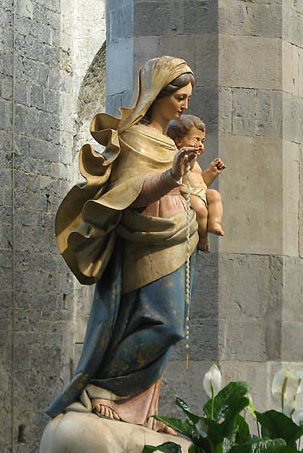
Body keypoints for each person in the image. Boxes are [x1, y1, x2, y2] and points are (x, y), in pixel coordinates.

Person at [47, 56, 201, 433]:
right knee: (162, 323)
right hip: (146, 240)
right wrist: (172, 175)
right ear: (157, 94)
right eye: (179, 97)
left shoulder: (169, 142)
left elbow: (186, 187)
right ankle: (104, 386)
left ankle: (141, 412)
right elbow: (130, 193)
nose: (184, 105)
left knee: (166, 326)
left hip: (177, 236)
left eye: (187, 97)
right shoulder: (135, 137)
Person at [167, 115, 226, 252]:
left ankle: (215, 223)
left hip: (200, 193)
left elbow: (202, 182)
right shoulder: (180, 158)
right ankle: (203, 236)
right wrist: (191, 157)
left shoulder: (197, 163)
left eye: (202, 141)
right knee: (201, 210)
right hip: (187, 193)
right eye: (196, 140)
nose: (200, 144)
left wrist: (212, 172)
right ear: (179, 141)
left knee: (215, 195)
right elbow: (181, 173)